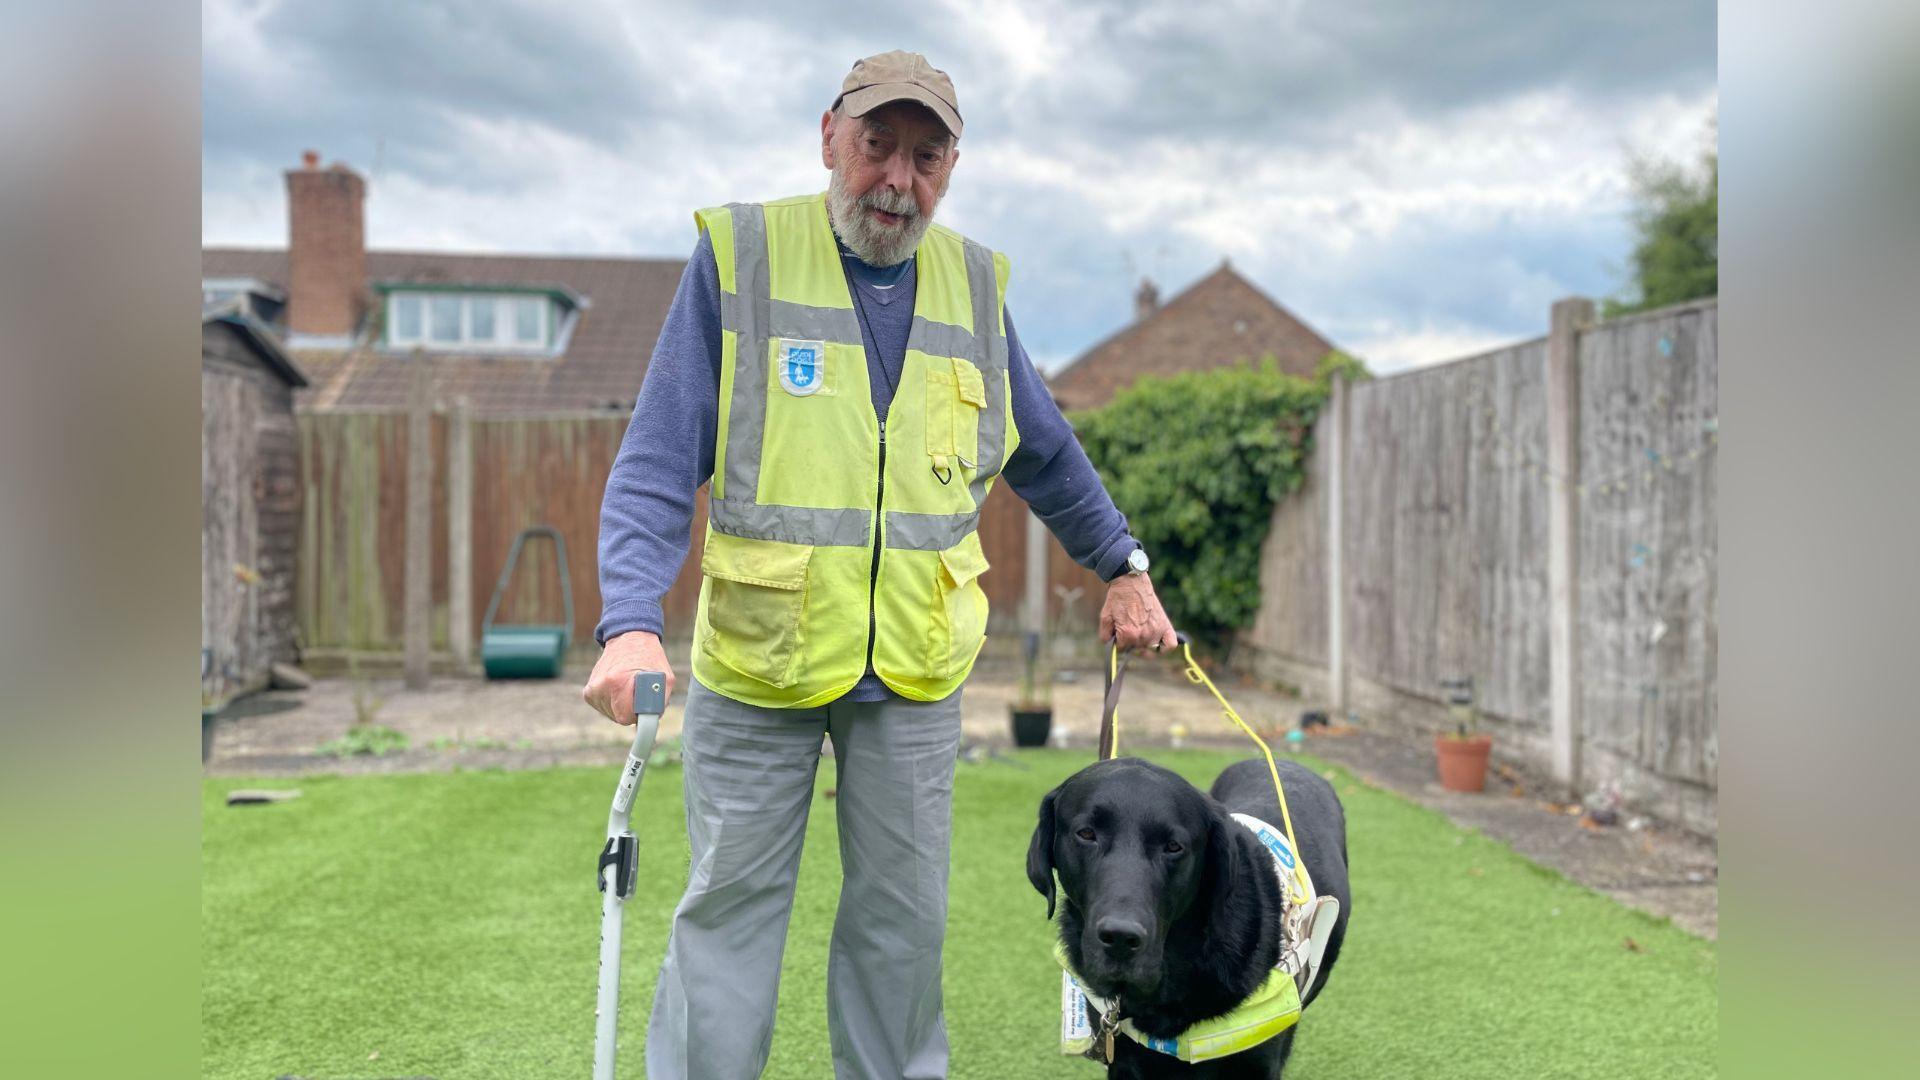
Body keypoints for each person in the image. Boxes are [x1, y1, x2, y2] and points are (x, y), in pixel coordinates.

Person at [582, 49, 1176, 1080]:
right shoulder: (742, 258)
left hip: (912, 667)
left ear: (952, 168)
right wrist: (630, 617)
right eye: (877, 146)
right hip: (760, 662)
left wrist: (1122, 563)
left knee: (901, 926)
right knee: (728, 912)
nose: (898, 180)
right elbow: (656, 457)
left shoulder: (976, 289)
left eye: (926, 157)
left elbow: (1043, 449)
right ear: (829, 137)